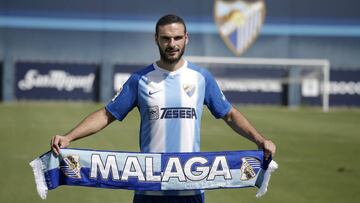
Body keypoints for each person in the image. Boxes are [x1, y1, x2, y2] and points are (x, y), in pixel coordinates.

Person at [51, 14, 276, 203]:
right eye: (166, 38)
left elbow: (229, 114)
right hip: (149, 186)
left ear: (186, 38)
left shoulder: (201, 78)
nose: (172, 44)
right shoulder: (140, 79)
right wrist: (69, 137)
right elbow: (107, 114)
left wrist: (259, 139)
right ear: (156, 39)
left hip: (191, 186)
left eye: (178, 38)